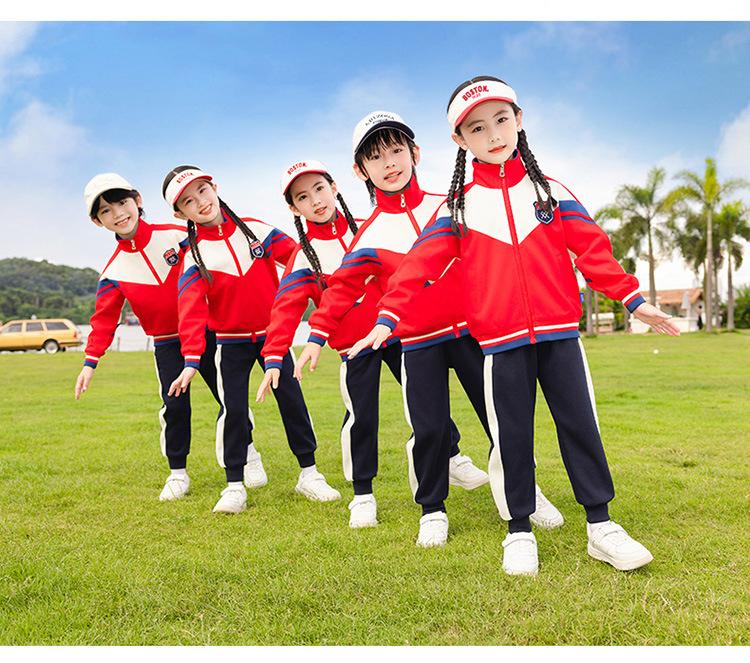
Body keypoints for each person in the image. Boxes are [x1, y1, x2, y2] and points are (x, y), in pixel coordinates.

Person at [351, 77, 680, 574]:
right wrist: (386, 318)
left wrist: (634, 301)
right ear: (460, 139)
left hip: (561, 337)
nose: (493, 134)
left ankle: (601, 525)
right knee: (511, 438)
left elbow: (594, 253)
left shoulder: (551, 191)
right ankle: (519, 530)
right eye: (477, 128)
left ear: (519, 119)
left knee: (580, 426)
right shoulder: (456, 207)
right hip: (500, 345)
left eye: (501, 120)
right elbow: (417, 268)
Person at [294, 111, 541, 534]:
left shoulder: (454, 205)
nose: (389, 163)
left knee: (503, 419)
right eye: (376, 158)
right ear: (360, 171)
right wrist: (315, 338)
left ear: (416, 153)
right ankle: (433, 510)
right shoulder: (368, 234)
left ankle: (529, 494)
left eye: (396, 151)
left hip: (474, 334)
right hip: (418, 342)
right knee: (429, 429)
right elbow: (340, 290)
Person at [164, 165, 340, 513]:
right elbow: (190, 312)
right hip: (230, 344)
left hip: (274, 340)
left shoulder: (258, 230)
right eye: (188, 201)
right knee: (233, 411)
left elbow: (304, 263)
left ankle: (310, 474)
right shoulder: (193, 256)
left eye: (202, 191)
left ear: (215, 187)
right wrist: (190, 361)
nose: (200, 202)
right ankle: (234, 486)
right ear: (179, 214)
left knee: (292, 402)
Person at [74, 173, 222, 502]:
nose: (118, 213)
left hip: (206, 332)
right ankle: (178, 474)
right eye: (106, 211)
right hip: (167, 344)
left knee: (229, 398)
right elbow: (104, 320)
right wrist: (89, 363)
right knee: (175, 407)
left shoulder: (178, 234)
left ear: (137, 200)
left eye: (122, 203)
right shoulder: (113, 271)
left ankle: (246, 456)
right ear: (98, 222)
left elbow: (218, 258)